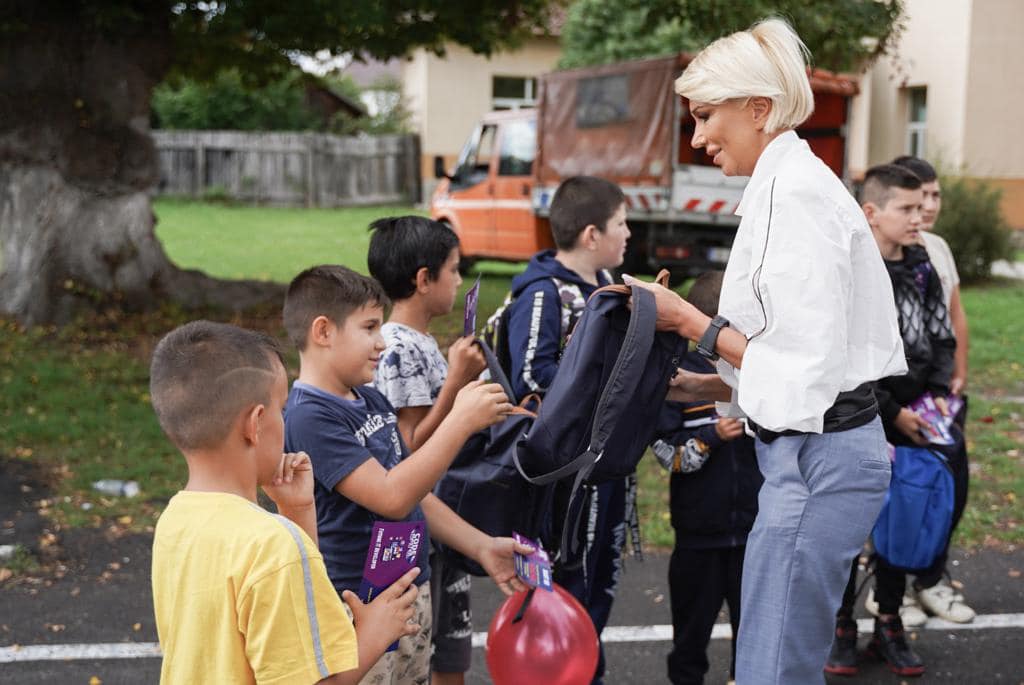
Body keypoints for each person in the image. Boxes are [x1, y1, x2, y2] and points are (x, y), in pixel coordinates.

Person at [625, 18, 907, 683]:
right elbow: (803, 354)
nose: (697, 138)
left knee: (772, 667)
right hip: (814, 449)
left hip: (817, 458)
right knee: (771, 658)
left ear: (760, 108)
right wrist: (707, 386)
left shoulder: (796, 197)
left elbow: (802, 367)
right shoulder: (790, 186)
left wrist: (688, 319)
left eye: (704, 116)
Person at [281, 265, 530, 685]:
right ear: (323, 332)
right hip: (359, 607)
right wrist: (459, 421)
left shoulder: (371, 397)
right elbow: (391, 495)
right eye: (370, 328)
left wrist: (481, 544)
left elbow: (412, 491)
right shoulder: (309, 416)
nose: (382, 342)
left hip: (407, 595)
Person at [150, 320, 422, 684]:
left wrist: (298, 513)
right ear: (256, 424)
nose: (286, 418)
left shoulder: (175, 520)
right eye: (281, 408)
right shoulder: (273, 546)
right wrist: (374, 633)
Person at [825, 164, 958, 677]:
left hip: (918, 418)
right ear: (871, 213)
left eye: (923, 204)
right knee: (849, 526)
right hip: (866, 414)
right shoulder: (853, 272)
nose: (920, 215)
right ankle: (841, 626)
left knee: (902, 522)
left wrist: (939, 396)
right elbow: (848, 356)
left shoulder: (922, 263)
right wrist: (893, 413)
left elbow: (941, 334)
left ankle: (888, 621)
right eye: (907, 207)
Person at [505, 174, 632, 685]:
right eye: (621, 224)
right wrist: (608, 393)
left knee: (602, 578)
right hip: (565, 482)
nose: (629, 234)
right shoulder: (544, 293)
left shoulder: (608, 290)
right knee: (566, 580)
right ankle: (559, 672)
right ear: (591, 235)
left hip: (607, 470)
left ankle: (586, 668)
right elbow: (532, 377)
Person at [368, 216, 486, 685]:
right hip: (416, 530)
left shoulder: (420, 344)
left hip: (440, 519)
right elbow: (409, 447)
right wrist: (457, 383)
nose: (459, 281)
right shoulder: (398, 349)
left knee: (450, 651)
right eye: (454, 270)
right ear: (423, 280)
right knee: (417, 651)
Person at [650, 271, 763, 685]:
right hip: (698, 536)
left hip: (753, 533)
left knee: (752, 638)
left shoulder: (758, 374)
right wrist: (710, 437)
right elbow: (667, 453)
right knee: (689, 638)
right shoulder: (679, 375)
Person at [891, 155, 976, 623]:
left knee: (947, 488)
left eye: (935, 195)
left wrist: (957, 378)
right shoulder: (882, 250)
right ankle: (892, 589)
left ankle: (930, 579)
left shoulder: (937, 248)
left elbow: (954, 310)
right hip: (897, 397)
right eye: (918, 196)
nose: (927, 205)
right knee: (899, 493)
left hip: (939, 395)